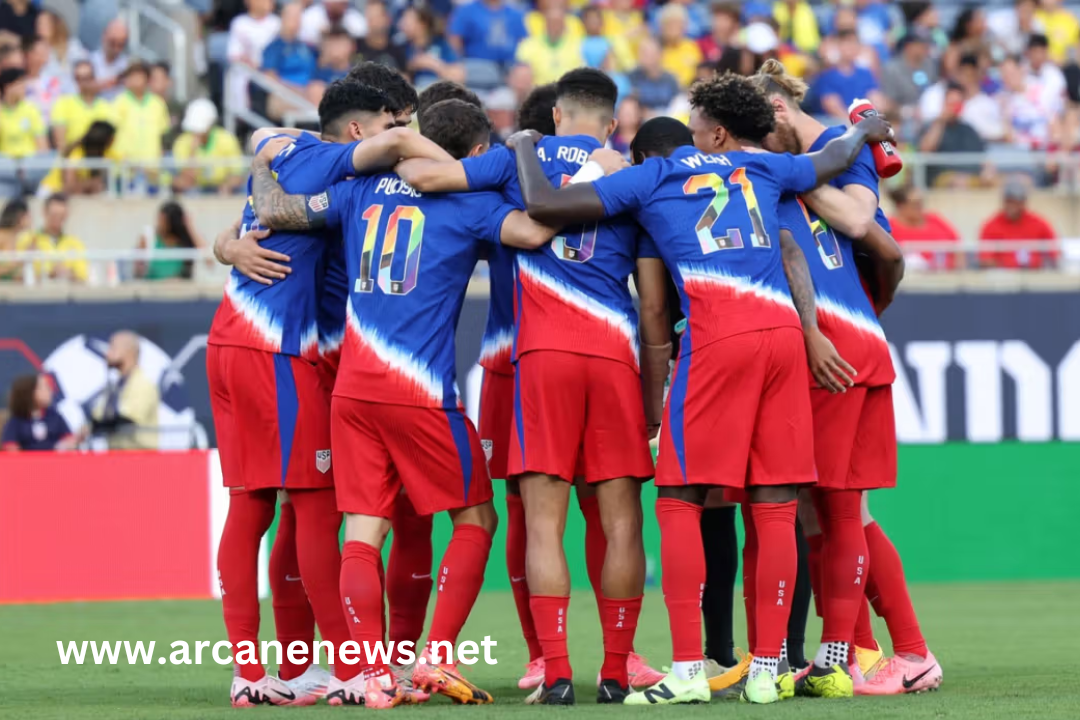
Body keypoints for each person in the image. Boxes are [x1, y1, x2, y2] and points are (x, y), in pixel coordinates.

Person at [505, 71, 894, 705]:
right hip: (782, 336)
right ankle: (768, 669)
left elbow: (547, 207)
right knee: (774, 505)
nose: (689, 132)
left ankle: (688, 669)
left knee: (680, 497)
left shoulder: (657, 175)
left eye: (695, 123)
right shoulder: (768, 170)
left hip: (717, 338)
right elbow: (834, 157)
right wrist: (867, 129)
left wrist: (522, 145)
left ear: (714, 131)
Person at [247, 97, 558, 707]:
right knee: (477, 517)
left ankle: (369, 675)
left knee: (363, 532)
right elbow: (537, 227)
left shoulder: (361, 190)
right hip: (419, 391)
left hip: (353, 390)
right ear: (471, 153)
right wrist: (526, 160)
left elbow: (275, 210)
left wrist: (261, 165)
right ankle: (435, 656)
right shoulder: (469, 201)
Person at [395, 72, 670, 702]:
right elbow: (654, 302)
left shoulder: (520, 157)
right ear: (609, 121)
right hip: (614, 354)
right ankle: (617, 668)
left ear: (556, 114)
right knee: (621, 520)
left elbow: (425, 178)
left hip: (539, 355)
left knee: (540, 520)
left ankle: (553, 670)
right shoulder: (628, 172)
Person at [209, 80, 432, 708]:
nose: (402, 132)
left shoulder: (290, 153)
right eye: (395, 121)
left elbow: (255, 187)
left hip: (240, 341)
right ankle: (350, 668)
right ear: (361, 129)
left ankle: (265, 671)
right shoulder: (336, 162)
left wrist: (225, 245)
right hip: (279, 350)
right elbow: (281, 159)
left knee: (255, 504)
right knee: (312, 505)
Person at [751, 57, 942, 697]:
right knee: (821, 511)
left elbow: (871, 232)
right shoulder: (798, 162)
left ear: (777, 111)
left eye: (757, 133)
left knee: (840, 510)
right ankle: (861, 653)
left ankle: (889, 653)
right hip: (829, 339)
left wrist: (796, 171)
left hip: (837, 344)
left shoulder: (841, 146)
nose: (752, 148)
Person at [87, 331, 160, 450]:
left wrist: (95, 427)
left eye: (112, 348)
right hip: (117, 458)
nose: (107, 353)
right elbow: (99, 418)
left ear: (128, 352)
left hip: (141, 460)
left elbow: (125, 421)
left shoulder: (142, 384)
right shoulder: (116, 386)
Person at [917, 82, 988, 187]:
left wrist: (988, 170)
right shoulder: (931, 126)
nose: (954, 107)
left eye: (958, 103)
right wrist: (941, 120)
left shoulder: (968, 129)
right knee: (958, 182)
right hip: (941, 178)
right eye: (951, 103)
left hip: (970, 176)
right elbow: (925, 150)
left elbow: (982, 157)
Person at [978, 177, 1058, 269]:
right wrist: (1007, 266)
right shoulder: (991, 225)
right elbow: (985, 260)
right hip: (1003, 278)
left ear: (1024, 202)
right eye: (1008, 201)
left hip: (1035, 275)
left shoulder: (1038, 223)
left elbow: (1055, 254)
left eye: (1016, 201)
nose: (1011, 206)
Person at [171, 98, 245, 195]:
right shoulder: (182, 142)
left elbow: (237, 174)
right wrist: (193, 152)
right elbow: (185, 181)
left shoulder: (226, 139)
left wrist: (227, 186)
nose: (197, 132)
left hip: (222, 188)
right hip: (195, 189)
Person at [111, 61, 171, 176]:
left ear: (147, 79)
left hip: (152, 171)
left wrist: (161, 158)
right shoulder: (118, 102)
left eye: (139, 76)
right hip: (125, 171)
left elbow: (164, 136)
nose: (135, 80)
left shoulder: (158, 103)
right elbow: (111, 135)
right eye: (131, 76)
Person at [811, 28, 884, 121]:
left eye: (855, 43)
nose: (851, 47)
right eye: (847, 43)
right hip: (838, 126)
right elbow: (834, 109)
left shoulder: (865, 73)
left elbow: (876, 100)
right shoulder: (826, 76)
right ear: (838, 46)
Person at [15, 193, 88, 282]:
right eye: (54, 215)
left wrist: (69, 275)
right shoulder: (27, 239)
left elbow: (83, 278)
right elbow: (17, 275)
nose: (57, 219)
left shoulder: (75, 243)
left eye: (62, 216)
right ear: (44, 212)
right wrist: (49, 274)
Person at [887, 186, 962, 271]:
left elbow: (957, 245)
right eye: (915, 204)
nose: (920, 208)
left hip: (944, 275)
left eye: (921, 203)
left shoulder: (935, 219)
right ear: (900, 206)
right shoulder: (888, 226)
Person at [0, 67, 49, 196]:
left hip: (29, 166)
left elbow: (42, 147)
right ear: (7, 86)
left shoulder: (31, 110)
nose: (24, 87)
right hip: (6, 168)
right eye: (19, 83)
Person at [39, 119, 117, 195]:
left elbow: (122, 161)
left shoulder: (106, 153)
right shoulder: (76, 153)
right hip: (52, 192)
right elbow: (69, 186)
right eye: (112, 139)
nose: (114, 141)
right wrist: (91, 183)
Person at [49, 60, 114, 150]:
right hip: (72, 161)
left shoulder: (105, 106)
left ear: (94, 78)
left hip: (98, 161)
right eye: (79, 78)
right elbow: (61, 143)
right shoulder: (63, 104)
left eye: (87, 78)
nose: (84, 83)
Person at [514, 3, 584, 85]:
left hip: (569, 91)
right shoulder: (528, 45)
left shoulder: (578, 45)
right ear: (545, 24)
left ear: (564, 26)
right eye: (551, 22)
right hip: (537, 92)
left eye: (558, 23)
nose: (554, 27)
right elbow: (521, 72)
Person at [1, 373, 75, 451]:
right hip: (27, 462)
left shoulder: (55, 417)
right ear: (29, 392)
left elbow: (70, 440)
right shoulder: (17, 420)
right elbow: (10, 446)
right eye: (44, 388)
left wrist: (65, 445)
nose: (50, 391)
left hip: (55, 461)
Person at [135, 201, 205, 280]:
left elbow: (208, 259)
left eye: (163, 220)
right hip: (152, 289)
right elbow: (137, 272)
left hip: (179, 290)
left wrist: (190, 226)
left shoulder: (184, 242)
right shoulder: (149, 238)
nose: (159, 223)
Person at [260, 3, 317, 98]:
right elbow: (270, 78)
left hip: (310, 93)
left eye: (299, 17)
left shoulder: (307, 47)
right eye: (292, 17)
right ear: (283, 18)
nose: (296, 21)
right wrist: (297, 90)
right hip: (285, 95)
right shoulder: (273, 48)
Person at [447, 0, 527, 67]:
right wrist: (460, 61)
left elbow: (523, 43)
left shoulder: (516, 13)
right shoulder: (466, 11)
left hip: (509, 66)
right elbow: (455, 39)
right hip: (477, 65)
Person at [400, 5, 464, 87]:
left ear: (423, 24)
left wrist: (432, 64)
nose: (402, 24)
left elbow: (459, 77)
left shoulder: (440, 44)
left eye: (407, 21)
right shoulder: (401, 46)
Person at [657, 4, 703, 88]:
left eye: (677, 23)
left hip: (689, 91)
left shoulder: (692, 46)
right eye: (669, 24)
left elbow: (699, 73)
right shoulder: (657, 49)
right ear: (662, 27)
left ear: (684, 26)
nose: (673, 28)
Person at [629, 37, 680, 112]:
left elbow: (678, 105)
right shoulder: (632, 78)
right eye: (640, 52)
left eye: (645, 53)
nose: (641, 57)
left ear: (659, 55)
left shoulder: (671, 79)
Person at [355, 0, 408, 73]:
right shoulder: (354, 46)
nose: (372, 22)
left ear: (387, 19)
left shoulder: (397, 52)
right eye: (370, 17)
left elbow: (406, 78)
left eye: (377, 17)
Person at [36, 9, 86, 75]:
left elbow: (83, 68)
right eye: (39, 24)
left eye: (46, 23)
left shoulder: (72, 45)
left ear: (56, 25)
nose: (40, 27)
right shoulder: (35, 50)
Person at [298, 0, 367, 46]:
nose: (340, 7)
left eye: (342, 4)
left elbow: (361, 34)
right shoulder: (311, 15)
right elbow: (303, 40)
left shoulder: (354, 18)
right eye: (335, 4)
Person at [88, 19, 128, 94]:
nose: (116, 49)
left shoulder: (128, 65)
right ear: (104, 36)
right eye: (112, 43)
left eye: (121, 44)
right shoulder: (89, 61)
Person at [0, 197, 30, 281]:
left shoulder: (17, 238)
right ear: (20, 216)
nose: (31, 219)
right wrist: (20, 262)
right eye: (28, 215)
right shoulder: (2, 235)